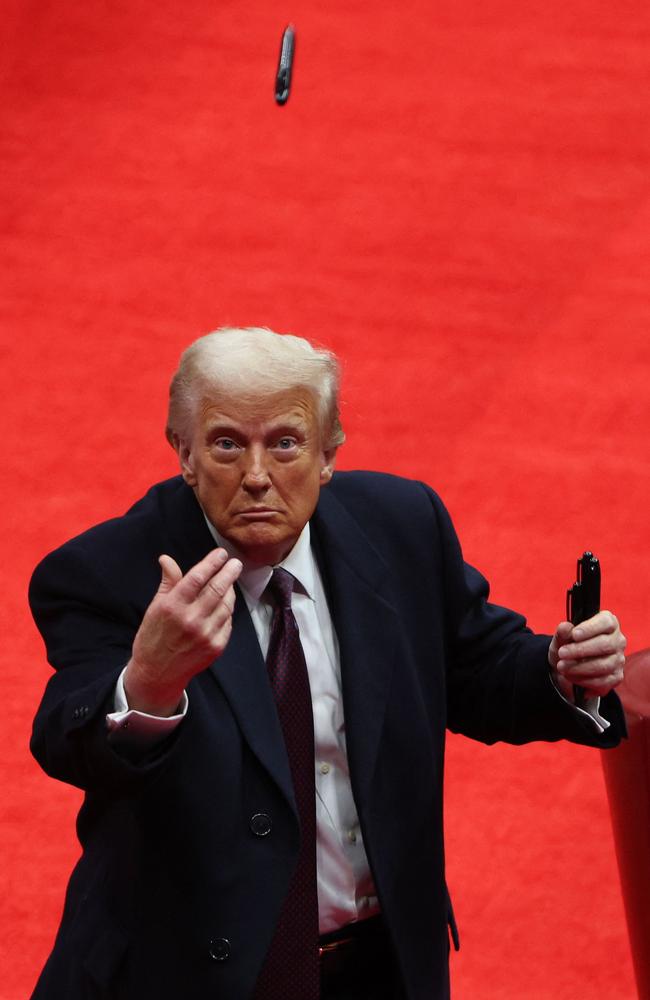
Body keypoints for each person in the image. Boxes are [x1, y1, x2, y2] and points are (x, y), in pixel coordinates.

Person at [29, 327, 626, 1000]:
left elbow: (476, 665)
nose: (257, 475)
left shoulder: (401, 525)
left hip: (381, 967)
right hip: (191, 973)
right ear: (184, 453)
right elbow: (66, 743)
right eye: (227, 443)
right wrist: (150, 682)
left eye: (285, 442)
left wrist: (558, 668)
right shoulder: (105, 572)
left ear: (328, 454)